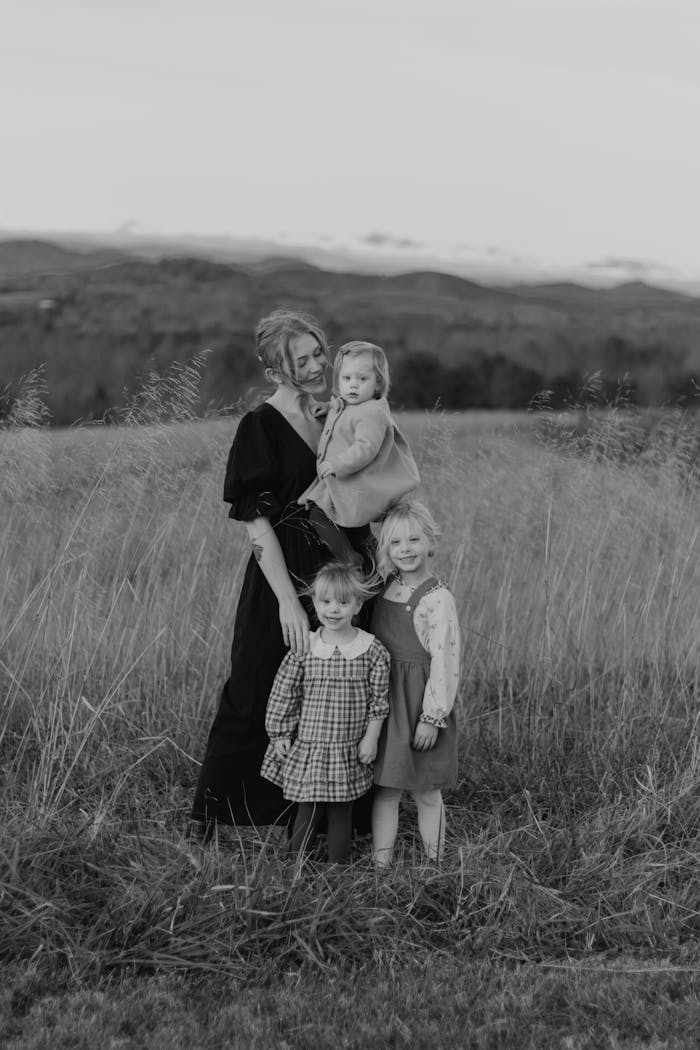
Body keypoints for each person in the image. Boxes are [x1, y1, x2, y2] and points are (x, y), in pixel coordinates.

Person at [191, 310, 372, 835]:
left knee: (338, 690)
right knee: (257, 684)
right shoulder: (260, 425)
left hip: (343, 568)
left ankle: (323, 818)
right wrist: (287, 601)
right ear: (276, 369)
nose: (318, 365)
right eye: (303, 360)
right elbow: (256, 522)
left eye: (320, 352)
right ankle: (220, 816)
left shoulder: (336, 415)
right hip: (285, 572)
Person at [260, 562, 390, 863]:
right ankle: (296, 869)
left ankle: (338, 871)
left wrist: (370, 739)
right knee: (308, 807)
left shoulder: (371, 651)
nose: (334, 609)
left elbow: (379, 702)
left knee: (341, 811)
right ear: (314, 603)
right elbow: (285, 692)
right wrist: (279, 733)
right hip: (311, 746)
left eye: (343, 602)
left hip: (346, 748)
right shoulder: (306, 647)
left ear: (357, 604)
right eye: (326, 601)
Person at [369, 499, 460, 867]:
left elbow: (445, 661)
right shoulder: (385, 587)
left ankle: (435, 863)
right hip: (386, 705)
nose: (405, 549)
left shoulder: (437, 599)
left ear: (431, 541)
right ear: (386, 548)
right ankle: (381, 866)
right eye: (395, 543)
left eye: (413, 540)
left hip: (418, 704)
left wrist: (432, 716)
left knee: (426, 790)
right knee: (386, 791)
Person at [298, 341, 419, 566]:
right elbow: (344, 411)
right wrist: (329, 408)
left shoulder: (372, 412)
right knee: (356, 532)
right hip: (341, 482)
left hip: (351, 481)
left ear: (377, 383)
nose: (353, 385)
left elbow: (366, 448)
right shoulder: (351, 405)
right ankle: (375, 561)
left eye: (362, 379)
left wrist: (337, 464)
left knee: (317, 514)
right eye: (347, 379)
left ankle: (349, 558)